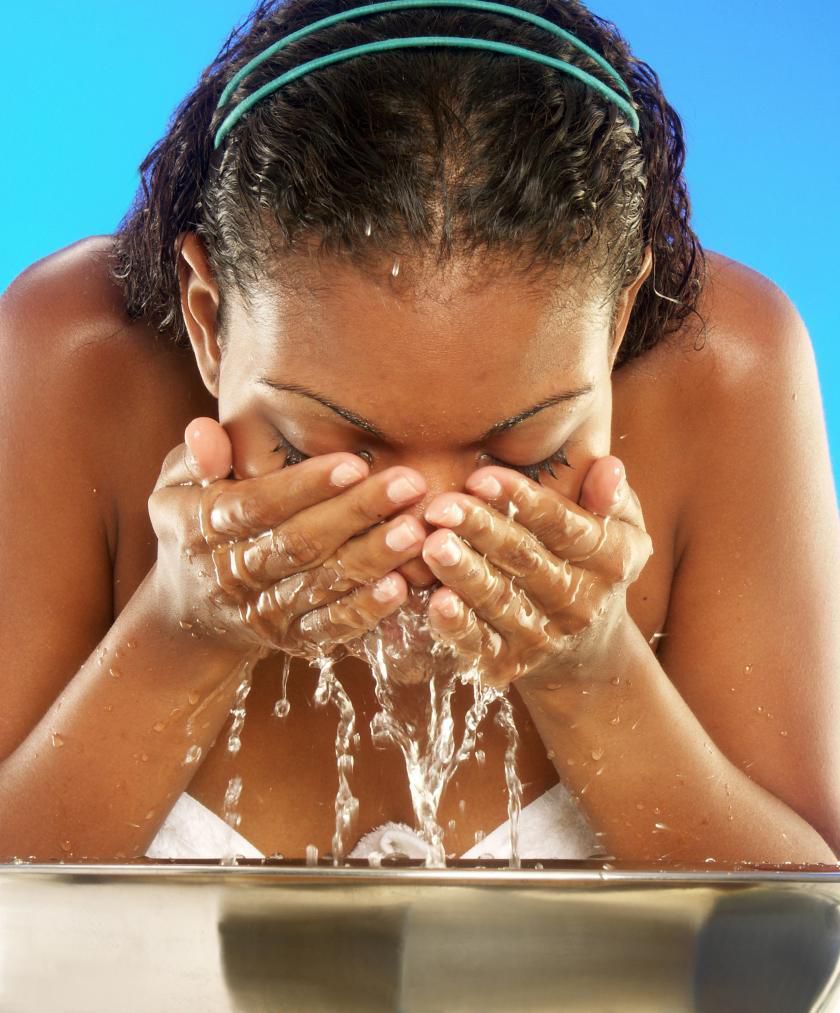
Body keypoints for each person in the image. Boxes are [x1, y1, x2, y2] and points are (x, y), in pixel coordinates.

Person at [0, 0, 837, 866]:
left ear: (618, 321)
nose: (429, 536)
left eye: (529, 452)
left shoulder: (729, 373)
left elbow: (805, 949)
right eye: (324, 446)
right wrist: (185, 630)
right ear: (210, 323)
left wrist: (592, 671)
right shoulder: (76, 358)